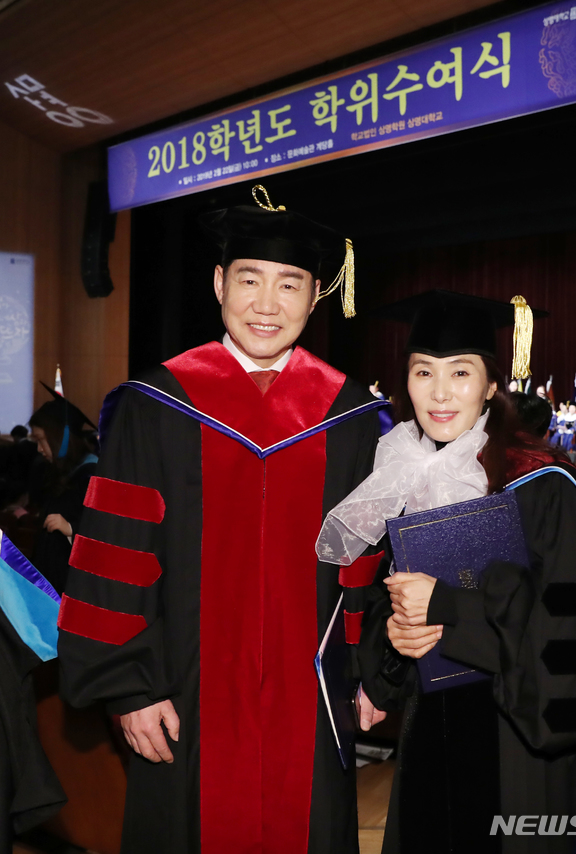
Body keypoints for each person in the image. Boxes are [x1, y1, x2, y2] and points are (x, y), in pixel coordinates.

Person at [56, 185, 384, 854]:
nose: (267, 304)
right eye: (249, 280)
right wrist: (129, 689)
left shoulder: (350, 417)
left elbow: (365, 565)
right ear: (218, 284)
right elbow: (116, 554)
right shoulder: (157, 405)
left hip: (311, 699)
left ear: (314, 297)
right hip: (181, 694)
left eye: (289, 284)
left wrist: (372, 672)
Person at [317, 290, 576, 854]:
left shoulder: (543, 484)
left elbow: (574, 634)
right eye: (423, 372)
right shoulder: (398, 478)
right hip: (426, 736)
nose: (440, 392)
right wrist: (396, 637)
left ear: (491, 385)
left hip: (514, 743)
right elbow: (379, 602)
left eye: (460, 372)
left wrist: (451, 609)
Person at [28, 387, 98, 595]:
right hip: (51, 583)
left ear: (60, 437)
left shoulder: (91, 476)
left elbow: (104, 530)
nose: (39, 449)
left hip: (74, 589)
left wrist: (71, 529)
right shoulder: (58, 474)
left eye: (41, 440)